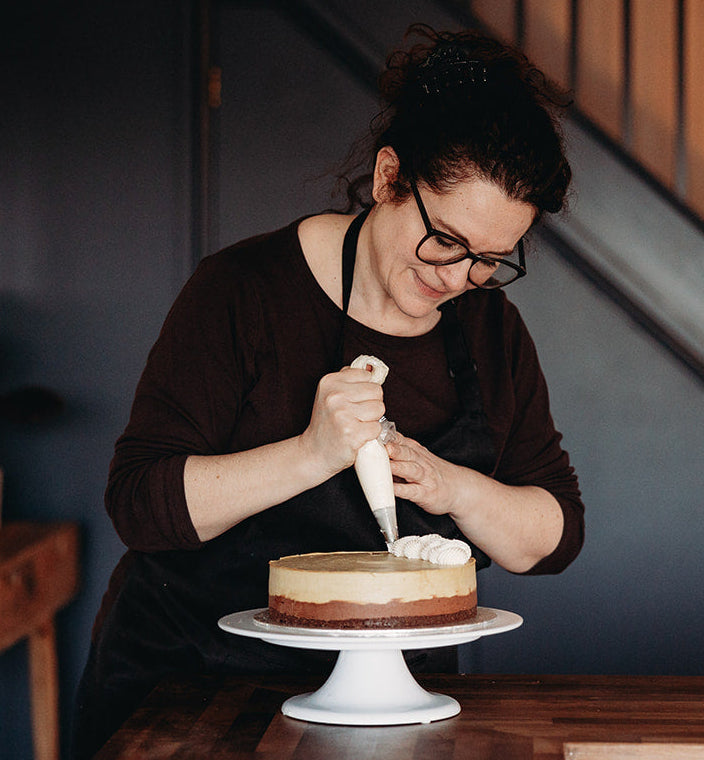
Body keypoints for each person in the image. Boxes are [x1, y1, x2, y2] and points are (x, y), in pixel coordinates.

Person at [73, 24, 583, 758]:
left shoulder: (491, 332)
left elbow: (554, 536)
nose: (456, 277)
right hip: (191, 694)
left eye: (491, 260)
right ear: (387, 179)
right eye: (444, 240)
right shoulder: (242, 291)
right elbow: (140, 505)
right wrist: (311, 453)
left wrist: (455, 488)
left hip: (394, 706)